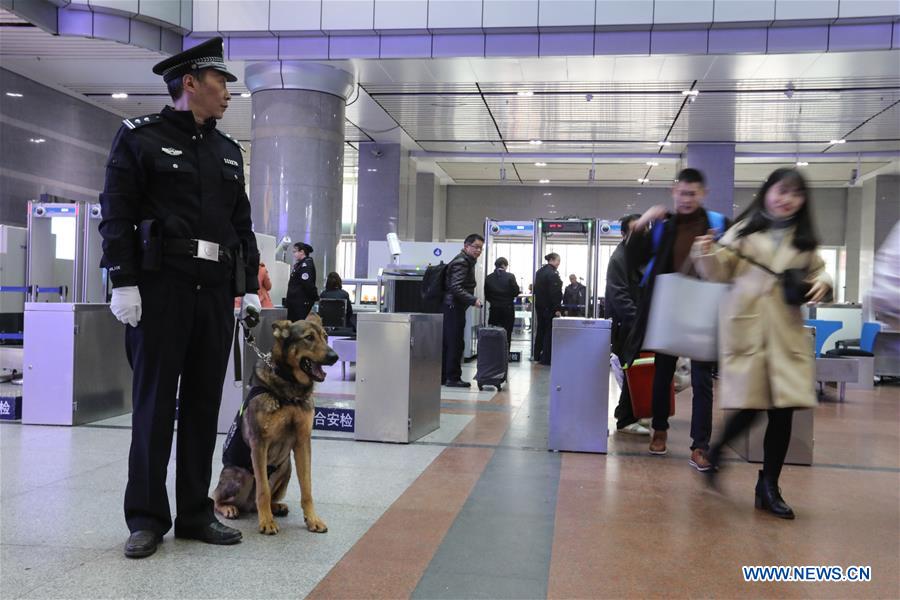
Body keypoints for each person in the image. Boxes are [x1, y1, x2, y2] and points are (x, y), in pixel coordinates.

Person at [99, 37, 260, 558]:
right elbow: (117, 214)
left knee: (202, 405)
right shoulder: (139, 138)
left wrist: (248, 287)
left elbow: (242, 226)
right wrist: (122, 280)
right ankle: (146, 517)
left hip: (213, 292)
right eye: (221, 83)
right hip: (158, 289)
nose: (228, 94)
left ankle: (194, 513)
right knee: (153, 406)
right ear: (189, 83)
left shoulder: (228, 151)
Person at [694, 168, 831, 519]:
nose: (786, 199)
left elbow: (820, 272)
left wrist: (824, 284)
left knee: (782, 410)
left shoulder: (804, 239)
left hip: (786, 333)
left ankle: (768, 486)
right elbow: (718, 272)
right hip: (749, 331)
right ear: (766, 192)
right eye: (780, 191)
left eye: (795, 194)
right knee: (752, 405)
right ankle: (719, 451)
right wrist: (705, 251)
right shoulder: (743, 231)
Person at [624, 168, 728, 469]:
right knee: (663, 374)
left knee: (702, 379)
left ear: (703, 194)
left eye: (692, 193)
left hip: (705, 307)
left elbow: (733, 264)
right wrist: (642, 223)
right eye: (682, 193)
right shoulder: (663, 225)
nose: (686, 199)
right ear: (674, 191)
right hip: (669, 304)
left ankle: (700, 445)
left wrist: (715, 250)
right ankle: (659, 429)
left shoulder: (718, 225)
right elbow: (636, 259)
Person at [606, 213, 649, 436]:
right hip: (626, 325)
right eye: (634, 230)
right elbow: (619, 295)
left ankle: (629, 413)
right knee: (630, 369)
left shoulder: (638, 256)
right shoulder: (619, 258)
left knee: (636, 368)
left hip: (636, 323)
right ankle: (626, 419)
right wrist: (639, 320)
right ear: (623, 234)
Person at [442, 233, 484, 387]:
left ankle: (446, 376)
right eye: (476, 247)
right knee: (455, 343)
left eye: (481, 248)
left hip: (454, 306)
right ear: (466, 246)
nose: (478, 250)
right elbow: (455, 287)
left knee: (451, 342)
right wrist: (473, 300)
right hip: (453, 307)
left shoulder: (466, 260)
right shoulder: (462, 262)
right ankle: (452, 378)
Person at [484, 257, 520, 350]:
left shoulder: (489, 277)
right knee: (507, 332)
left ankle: (494, 353)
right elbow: (516, 292)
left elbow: (486, 295)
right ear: (504, 265)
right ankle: (505, 354)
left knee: (493, 331)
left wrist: (494, 301)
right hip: (507, 308)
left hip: (494, 309)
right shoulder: (510, 276)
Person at [533, 253, 562, 365]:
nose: (559, 263)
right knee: (548, 332)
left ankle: (537, 355)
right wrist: (557, 308)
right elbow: (554, 293)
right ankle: (546, 358)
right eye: (558, 261)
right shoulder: (552, 274)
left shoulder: (539, 272)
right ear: (553, 260)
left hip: (539, 306)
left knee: (540, 330)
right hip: (549, 308)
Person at [286, 242, 318, 321]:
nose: (294, 254)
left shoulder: (306, 265)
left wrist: (314, 297)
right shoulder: (299, 265)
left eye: (295, 251)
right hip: (295, 302)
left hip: (300, 303)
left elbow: (307, 284)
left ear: (302, 252)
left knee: (298, 326)